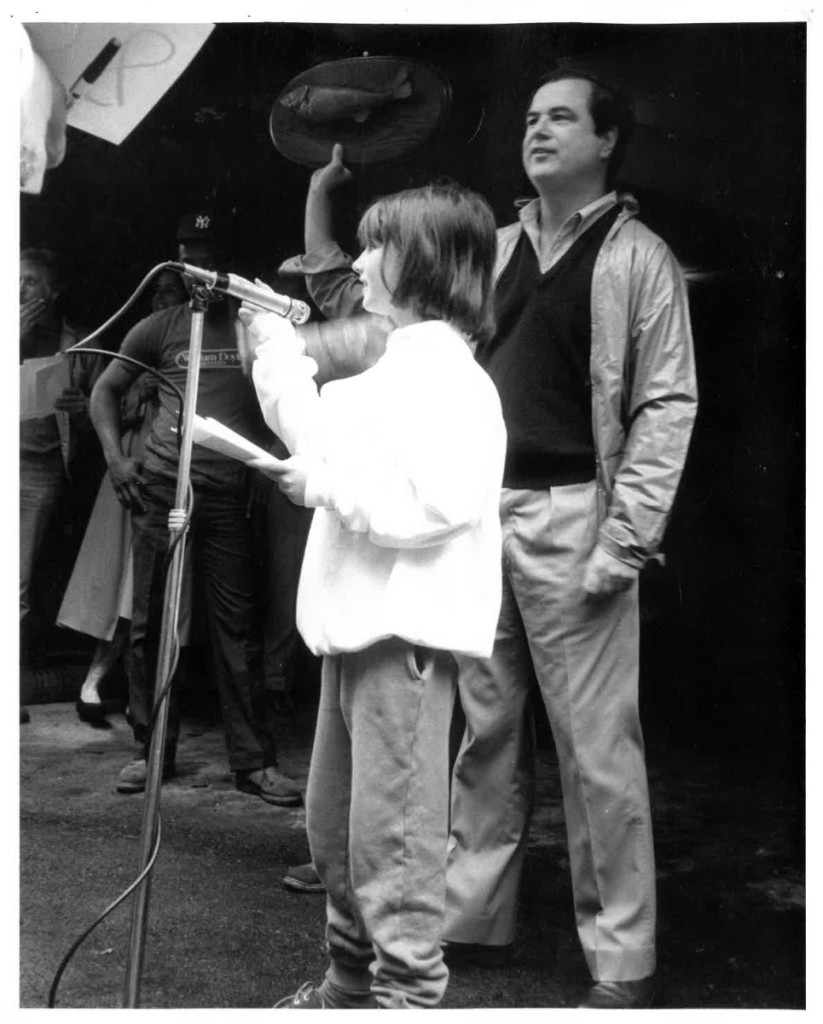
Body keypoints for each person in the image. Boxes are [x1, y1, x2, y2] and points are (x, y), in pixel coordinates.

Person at [287, 68, 698, 1009]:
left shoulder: (640, 258)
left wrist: (624, 537)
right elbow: (383, 329)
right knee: (483, 732)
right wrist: (317, 255)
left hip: (572, 513)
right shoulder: (497, 244)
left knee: (596, 749)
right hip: (472, 515)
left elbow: (665, 403)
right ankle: (467, 922)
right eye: (529, 117)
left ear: (607, 141)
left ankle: (620, 959)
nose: (538, 130)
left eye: (561, 118)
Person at [239, 181, 506, 1008]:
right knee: (338, 830)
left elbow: (432, 506)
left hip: (403, 642)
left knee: (392, 845)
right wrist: (276, 348)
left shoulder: (455, 381)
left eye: (373, 244)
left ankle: (403, 996)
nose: (356, 261)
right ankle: (347, 984)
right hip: (355, 635)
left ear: (422, 260)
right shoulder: (398, 368)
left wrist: (322, 486)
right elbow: (321, 436)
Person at [89, 213, 302, 806]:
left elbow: (288, 395)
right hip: (161, 488)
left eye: (207, 255)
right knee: (151, 623)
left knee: (237, 629)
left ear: (224, 265)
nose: (197, 270)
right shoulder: (157, 328)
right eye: (188, 256)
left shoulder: (252, 329)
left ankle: (253, 763)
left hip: (231, 494)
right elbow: (104, 391)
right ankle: (151, 749)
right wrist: (115, 459)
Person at [58, 270, 189, 724]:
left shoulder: (188, 342)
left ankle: (140, 696)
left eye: (168, 292)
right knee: (115, 581)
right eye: (156, 291)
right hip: (131, 471)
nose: (158, 299)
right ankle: (96, 682)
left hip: (171, 475)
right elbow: (107, 397)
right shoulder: (142, 341)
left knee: (146, 588)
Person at [20, 248, 99, 723]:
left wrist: (81, 409)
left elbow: (98, 412)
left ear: (53, 291)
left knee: (19, 583)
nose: (21, 290)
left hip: (42, 471)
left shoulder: (77, 342)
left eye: (30, 282)